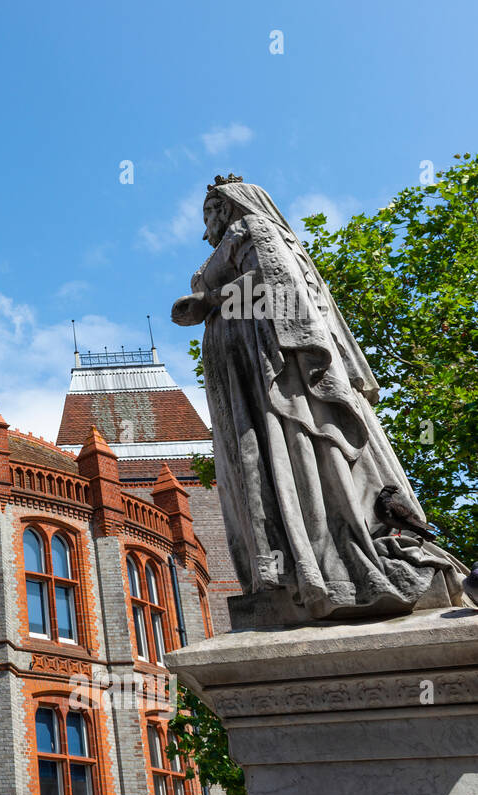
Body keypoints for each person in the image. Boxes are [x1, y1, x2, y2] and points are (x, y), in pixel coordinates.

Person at [172, 175, 465, 619]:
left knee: (289, 453)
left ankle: (326, 564)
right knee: (255, 467)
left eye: (212, 210)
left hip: (273, 370)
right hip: (241, 375)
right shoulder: (226, 245)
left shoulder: (253, 230)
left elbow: (279, 284)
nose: (206, 223)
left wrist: (208, 302)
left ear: (231, 206)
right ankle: (291, 564)